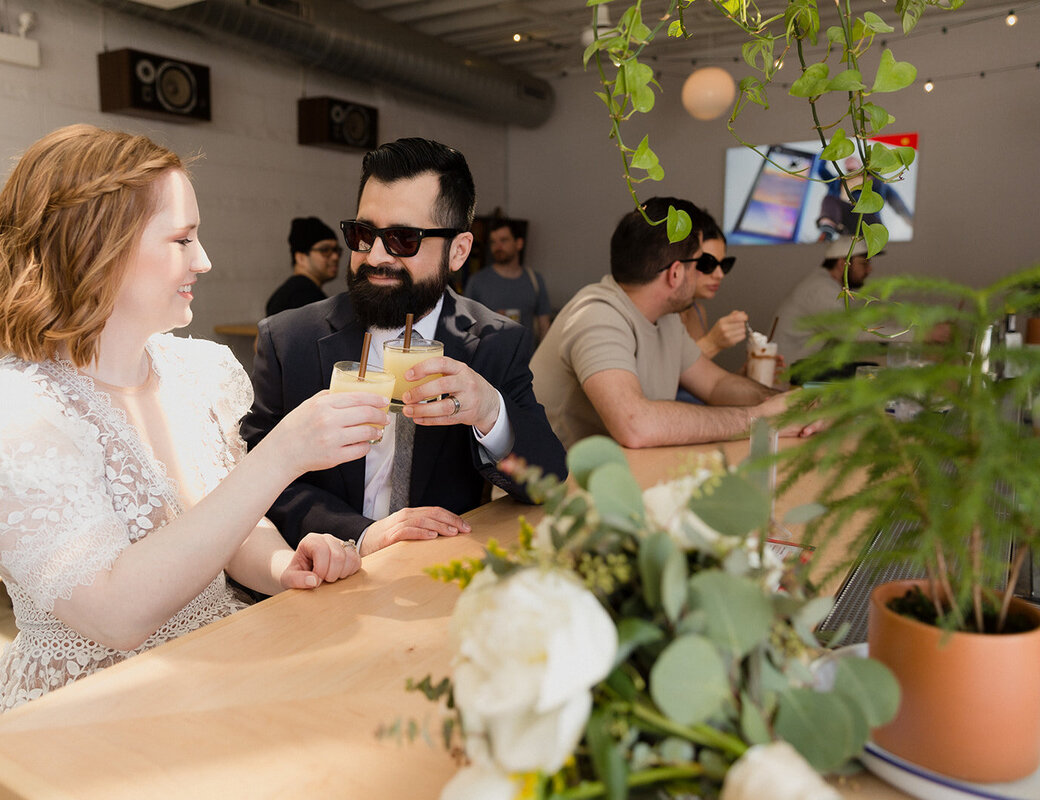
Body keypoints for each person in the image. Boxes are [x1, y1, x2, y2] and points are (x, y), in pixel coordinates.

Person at [0, 125, 386, 718]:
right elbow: (115, 614)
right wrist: (284, 454)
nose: (203, 260)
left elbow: (230, 527)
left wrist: (284, 566)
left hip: (219, 672)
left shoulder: (203, 371)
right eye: (181, 239)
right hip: (88, 717)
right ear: (96, 249)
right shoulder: (7, 416)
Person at [240, 138, 567, 556]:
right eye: (362, 234)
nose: (374, 255)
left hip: (435, 573)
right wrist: (360, 534)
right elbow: (256, 479)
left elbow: (547, 481)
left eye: (403, 239)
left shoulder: (494, 342)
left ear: (459, 251)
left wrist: (490, 410)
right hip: (316, 577)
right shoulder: (289, 341)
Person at [529, 197, 813, 449]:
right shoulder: (596, 314)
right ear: (676, 273)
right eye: (699, 265)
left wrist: (788, 403)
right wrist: (756, 419)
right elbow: (635, 425)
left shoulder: (666, 320)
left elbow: (716, 385)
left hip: (614, 483)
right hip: (546, 497)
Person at [771, 235, 881, 368]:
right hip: (784, 379)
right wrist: (910, 334)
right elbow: (852, 333)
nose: (869, 270)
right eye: (864, 263)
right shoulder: (821, 288)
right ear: (842, 264)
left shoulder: (826, 285)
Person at [463, 218, 553, 351]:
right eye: (493, 242)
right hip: (488, 362)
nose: (498, 246)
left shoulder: (535, 280)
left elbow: (544, 327)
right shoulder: (477, 281)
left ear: (519, 244)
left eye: (504, 240)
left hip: (527, 363)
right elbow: (465, 328)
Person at [676, 214, 748, 362]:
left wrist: (747, 372)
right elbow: (660, 378)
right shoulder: (661, 314)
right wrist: (712, 343)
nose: (719, 274)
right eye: (708, 264)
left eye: (724, 264)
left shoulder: (698, 312)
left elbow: (701, 382)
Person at [264, 216, 341, 316]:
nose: (335, 257)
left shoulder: (289, 292)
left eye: (336, 250)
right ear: (300, 258)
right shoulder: (305, 296)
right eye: (325, 250)